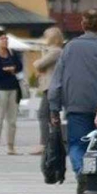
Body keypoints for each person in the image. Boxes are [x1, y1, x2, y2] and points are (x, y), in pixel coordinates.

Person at [48, 9, 97, 194]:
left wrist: (54, 108)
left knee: (77, 145)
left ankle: (81, 173)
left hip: (76, 105)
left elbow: (57, 81)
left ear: (83, 24)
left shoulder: (69, 48)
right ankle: (95, 187)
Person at [0, 30, 23, 156]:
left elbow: (19, 67)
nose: (5, 40)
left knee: (12, 120)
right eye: (2, 38)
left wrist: (10, 69)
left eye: (6, 38)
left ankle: (10, 146)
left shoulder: (12, 53)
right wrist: (9, 69)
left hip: (13, 89)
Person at [31, 27, 64, 155]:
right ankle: (55, 144)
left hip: (51, 87)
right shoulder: (55, 51)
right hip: (50, 87)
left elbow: (39, 65)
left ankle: (44, 144)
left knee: (44, 115)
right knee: (51, 116)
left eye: (46, 36)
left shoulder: (55, 51)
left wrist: (38, 61)